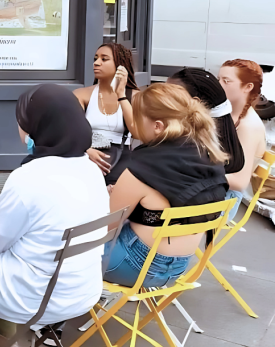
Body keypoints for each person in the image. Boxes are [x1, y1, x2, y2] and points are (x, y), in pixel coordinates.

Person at [0, 84, 109, 347]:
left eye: (23, 121)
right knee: (9, 259)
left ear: (36, 127)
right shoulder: (91, 171)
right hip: (83, 291)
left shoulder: (28, 177)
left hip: (35, 298)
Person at [104, 83, 229, 288]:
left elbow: (105, 228)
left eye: (137, 118)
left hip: (134, 265)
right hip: (179, 268)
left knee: (61, 249)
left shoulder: (144, 165)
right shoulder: (210, 156)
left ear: (158, 126)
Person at [167, 67, 247, 209]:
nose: (162, 99)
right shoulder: (222, 132)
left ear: (194, 102)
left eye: (169, 96)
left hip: (202, 212)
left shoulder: (194, 145)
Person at [73, 43, 139, 179]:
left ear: (120, 65)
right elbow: (70, 130)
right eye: (95, 58)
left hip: (121, 158)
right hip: (87, 154)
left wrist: (121, 95)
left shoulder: (135, 96)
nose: (96, 63)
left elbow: (137, 133)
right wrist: (86, 150)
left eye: (104, 59)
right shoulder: (82, 94)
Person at [219, 59, 268, 210]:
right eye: (218, 79)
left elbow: (239, 182)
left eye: (226, 81)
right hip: (213, 189)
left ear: (248, 87)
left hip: (224, 199)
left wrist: (193, 173)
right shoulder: (227, 113)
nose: (218, 85)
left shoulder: (249, 126)